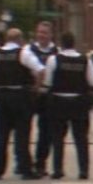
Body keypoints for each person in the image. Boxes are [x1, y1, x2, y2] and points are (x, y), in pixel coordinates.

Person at [0, 28, 42, 180]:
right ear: (19, 39)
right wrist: (36, 88)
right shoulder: (24, 53)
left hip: (1, 97)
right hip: (20, 97)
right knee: (22, 135)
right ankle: (25, 169)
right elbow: (40, 69)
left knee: (1, 137)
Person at [43, 32, 93, 180]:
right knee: (81, 139)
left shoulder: (53, 59)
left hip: (58, 103)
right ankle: (83, 170)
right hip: (79, 104)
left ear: (61, 43)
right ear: (74, 43)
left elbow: (47, 82)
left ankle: (58, 169)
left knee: (57, 139)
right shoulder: (85, 60)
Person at [22, 21, 57, 175]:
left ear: (51, 35)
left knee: (46, 132)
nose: (42, 35)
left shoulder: (57, 52)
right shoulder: (28, 50)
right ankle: (24, 163)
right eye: (40, 32)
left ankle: (40, 163)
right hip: (30, 95)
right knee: (24, 130)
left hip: (47, 96)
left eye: (45, 33)